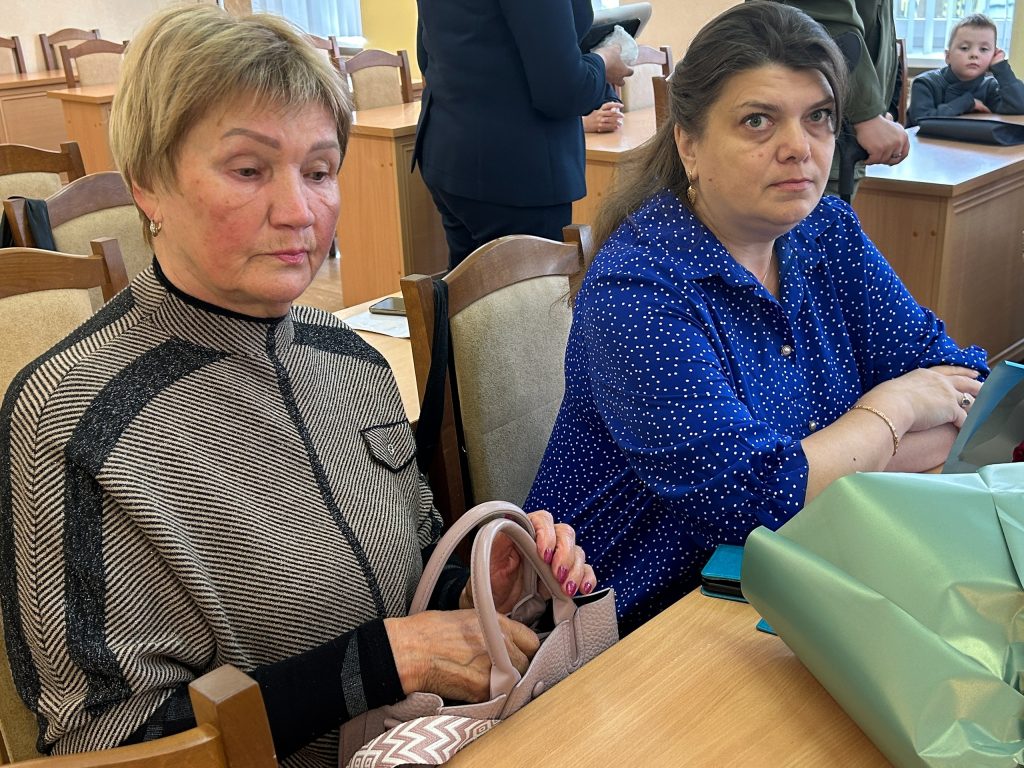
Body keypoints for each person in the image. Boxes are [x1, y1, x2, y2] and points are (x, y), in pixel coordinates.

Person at [0, 7, 596, 766]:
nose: (299, 212)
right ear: (148, 184)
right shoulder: (73, 418)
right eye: (249, 170)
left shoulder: (351, 361)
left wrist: (481, 588)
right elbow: (105, 742)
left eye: (318, 172)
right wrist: (390, 660)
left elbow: (412, 566)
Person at [525, 1, 988, 634]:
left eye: (818, 117)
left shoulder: (826, 230)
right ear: (689, 143)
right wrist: (896, 408)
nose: (799, 148)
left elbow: (961, 385)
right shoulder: (636, 290)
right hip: (646, 619)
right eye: (757, 121)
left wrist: (830, 465)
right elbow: (753, 502)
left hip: (799, 569)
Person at [414, 0, 633, 268]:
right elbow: (562, 92)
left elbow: (426, 57)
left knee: (467, 288)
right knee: (528, 293)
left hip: (448, 150)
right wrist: (603, 60)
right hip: (516, 169)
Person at [773, 0, 910, 193]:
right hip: (824, 137)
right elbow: (824, 21)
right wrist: (866, 114)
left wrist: (880, 112)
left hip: (842, 136)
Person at [907, 13, 1024, 127]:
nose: (974, 54)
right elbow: (920, 121)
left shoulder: (990, 87)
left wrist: (1001, 68)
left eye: (983, 49)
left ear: (993, 55)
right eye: (964, 48)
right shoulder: (925, 83)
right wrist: (966, 103)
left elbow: (1020, 106)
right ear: (948, 56)